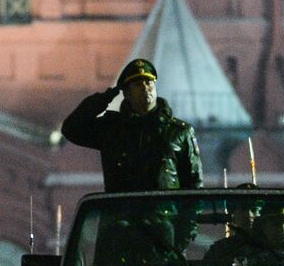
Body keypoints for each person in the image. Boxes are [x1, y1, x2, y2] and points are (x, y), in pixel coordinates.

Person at [60, 58, 203, 193]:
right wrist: (105, 98)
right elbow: (71, 129)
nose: (145, 88)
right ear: (127, 94)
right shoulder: (112, 129)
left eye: (149, 83)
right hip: (123, 210)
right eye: (138, 85)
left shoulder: (178, 132)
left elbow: (194, 185)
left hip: (164, 211)